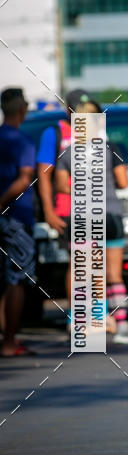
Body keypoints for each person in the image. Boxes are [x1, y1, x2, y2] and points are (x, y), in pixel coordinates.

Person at [55, 99, 128, 345]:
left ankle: (82, 324)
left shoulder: (68, 153)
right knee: (112, 274)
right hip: (109, 214)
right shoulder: (111, 148)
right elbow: (123, 183)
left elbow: (60, 186)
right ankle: (120, 326)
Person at [36, 88, 87, 329]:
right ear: (68, 110)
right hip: (68, 208)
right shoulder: (54, 133)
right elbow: (44, 174)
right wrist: (49, 210)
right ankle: (76, 316)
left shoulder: (96, 132)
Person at [0, 88, 36, 357]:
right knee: (16, 278)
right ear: (21, 109)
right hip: (15, 217)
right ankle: (10, 341)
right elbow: (25, 179)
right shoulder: (23, 142)